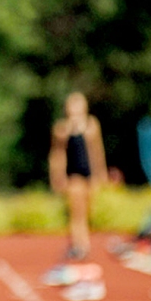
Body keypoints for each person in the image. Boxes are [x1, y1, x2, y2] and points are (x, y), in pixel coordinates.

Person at [48, 92, 108, 261]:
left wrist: (100, 172)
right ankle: (78, 245)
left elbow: (97, 151)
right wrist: (57, 176)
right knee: (76, 211)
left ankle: (84, 242)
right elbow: (57, 155)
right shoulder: (61, 129)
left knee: (88, 211)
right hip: (73, 175)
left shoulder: (91, 125)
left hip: (89, 174)